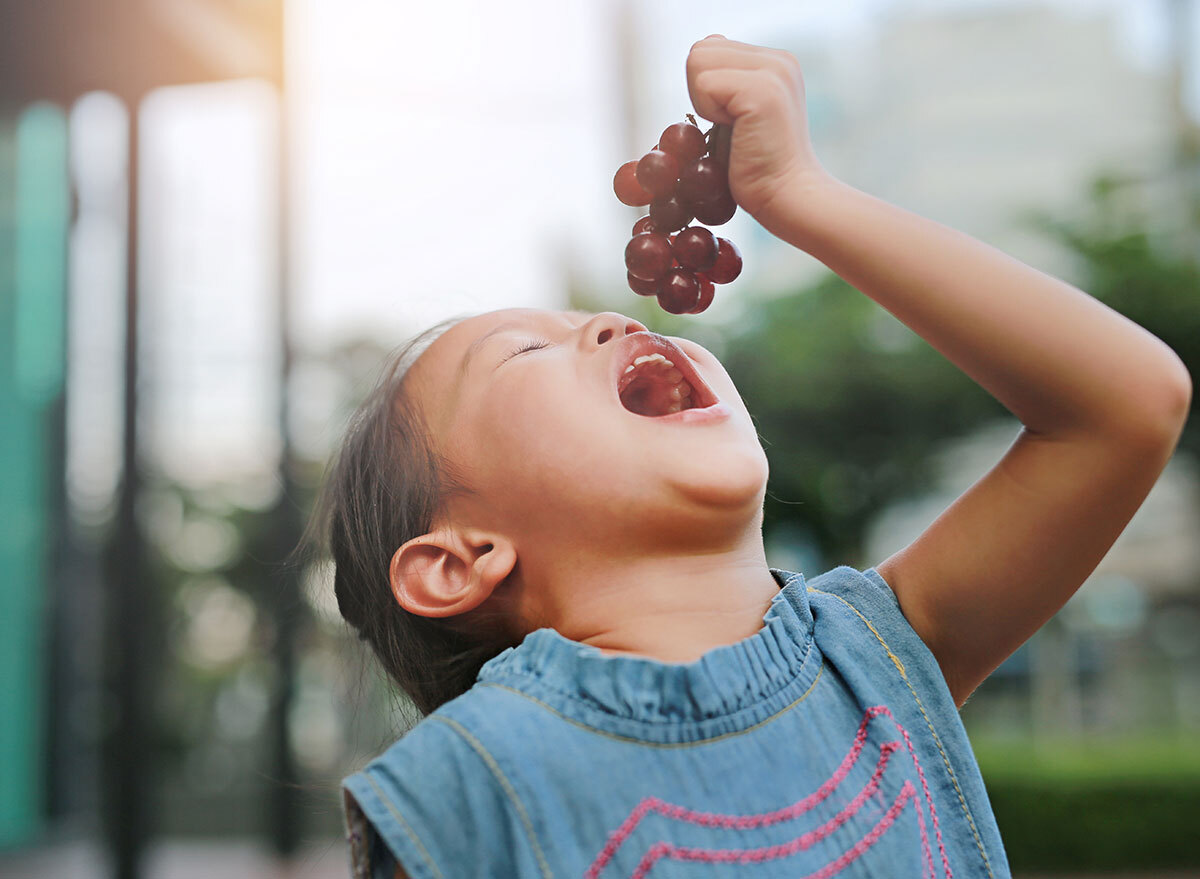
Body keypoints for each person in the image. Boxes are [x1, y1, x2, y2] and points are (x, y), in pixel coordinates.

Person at [310, 35, 1192, 879]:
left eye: (596, 321)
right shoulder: (462, 794)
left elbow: (1126, 403)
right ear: (458, 561)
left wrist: (800, 193)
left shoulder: (880, 654)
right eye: (527, 351)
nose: (618, 321)